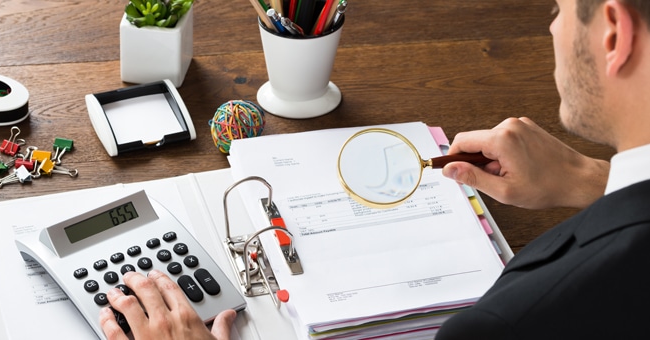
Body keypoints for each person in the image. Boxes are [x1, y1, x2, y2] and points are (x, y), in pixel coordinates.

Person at [98, 0, 650, 338]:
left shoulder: (513, 321)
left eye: (556, 9)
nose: (552, 29)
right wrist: (594, 181)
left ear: (614, 35)